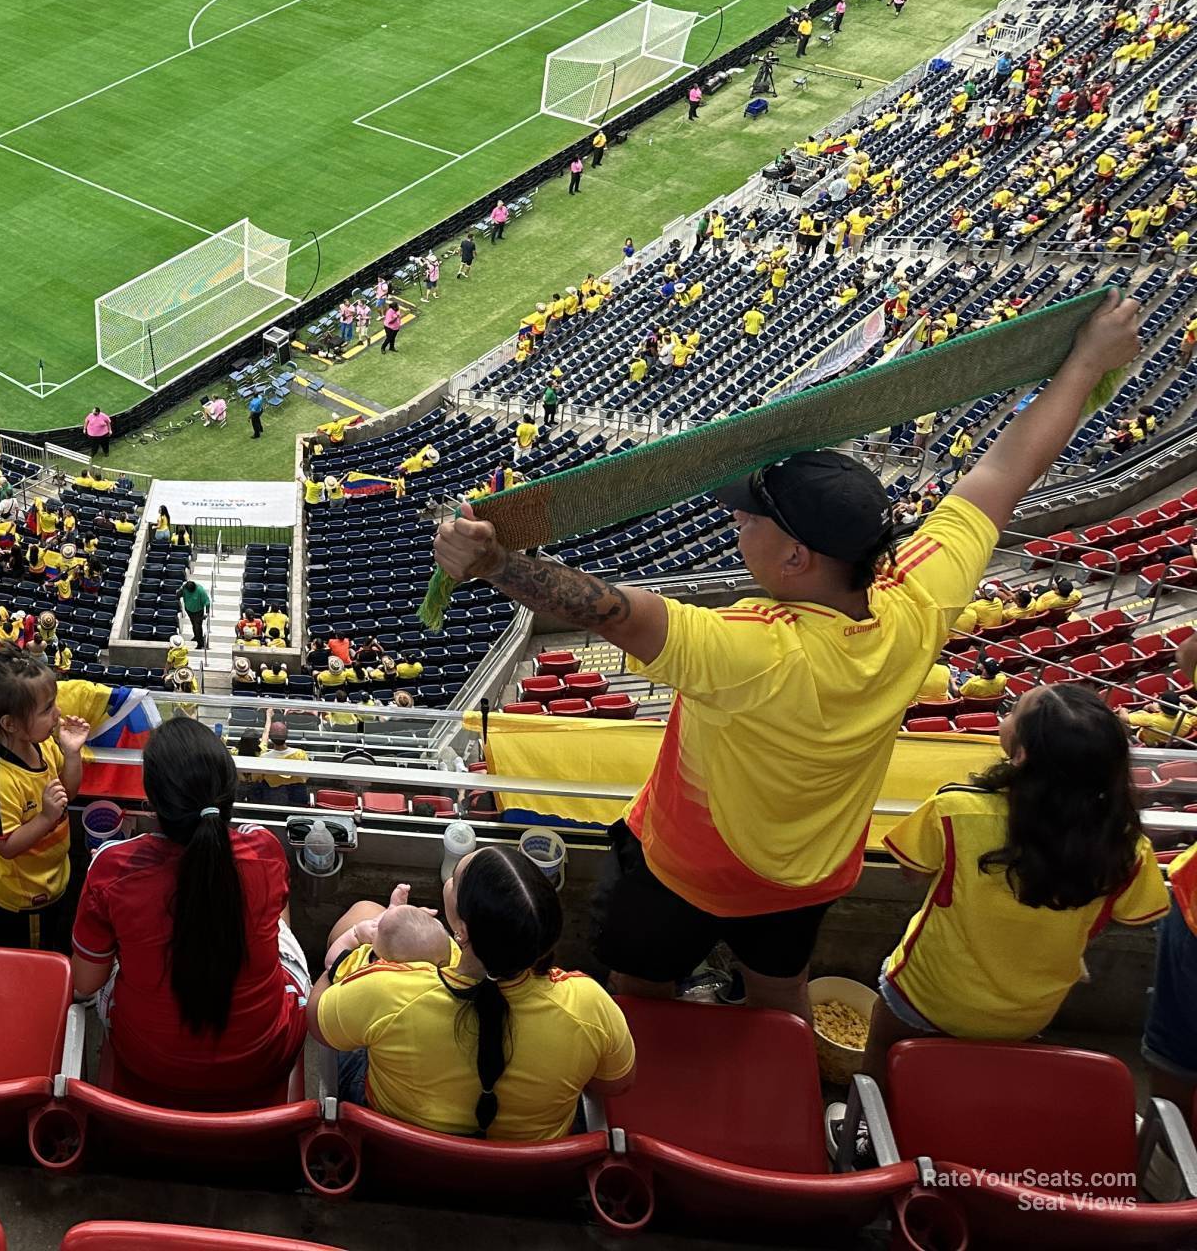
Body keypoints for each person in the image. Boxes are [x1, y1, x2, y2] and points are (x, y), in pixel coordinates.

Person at [431, 291, 1140, 1017]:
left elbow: (615, 612)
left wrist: (493, 564)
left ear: (797, 557)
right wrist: (1085, 362)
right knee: (779, 996)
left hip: (685, 868)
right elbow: (1002, 475)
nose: (736, 519)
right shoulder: (919, 598)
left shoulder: (754, 648)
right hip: (809, 876)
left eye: (751, 515)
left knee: (643, 994)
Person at [869, 684, 1164, 1079]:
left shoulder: (955, 810)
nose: (1004, 717)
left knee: (882, 1050)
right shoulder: (1128, 846)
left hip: (928, 992)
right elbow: (1132, 916)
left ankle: (864, 1128)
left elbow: (913, 871)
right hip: (1029, 1012)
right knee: (976, 1075)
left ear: (1021, 753)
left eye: (1011, 712)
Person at [312, 848, 634, 1141]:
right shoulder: (587, 1005)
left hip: (399, 1151)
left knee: (362, 912)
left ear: (461, 931)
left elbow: (317, 1023)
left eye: (455, 879)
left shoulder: (391, 990)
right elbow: (614, 1083)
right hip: (528, 1179)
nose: (450, 881)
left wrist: (358, 954)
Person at [70, 717, 310, 1107]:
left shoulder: (112, 867)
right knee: (276, 917)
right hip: (262, 1057)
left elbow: (86, 980)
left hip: (148, 1060)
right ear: (228, 794)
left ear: (152, 802)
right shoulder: (265, 850)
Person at [0, 650, 87, 948]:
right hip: (24, 896)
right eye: (47, 709)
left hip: (53, 873)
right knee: (34, 953)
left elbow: (67, 795)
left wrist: (72, 754)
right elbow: (6, 845)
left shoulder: (44, 743)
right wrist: (47, 818)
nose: (58, 713)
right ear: (10, 724)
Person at [181, 574, 211, 647]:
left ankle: (200, 643)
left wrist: (207, 613)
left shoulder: (200, 591)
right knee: (194, 625)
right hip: (189, 610)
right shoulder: (185, 588)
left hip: (198, 612)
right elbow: (178, 595)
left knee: (198, 627)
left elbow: (207, 602)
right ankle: (196, 637)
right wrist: (180, 590)